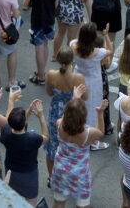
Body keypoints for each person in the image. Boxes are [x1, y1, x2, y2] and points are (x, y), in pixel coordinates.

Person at [51, 95, 107, 208]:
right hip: (80, 174)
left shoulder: (59, 124)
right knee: (83, 205)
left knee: (58, 202)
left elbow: (66, 116)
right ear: (83, 117)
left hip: (60, 169)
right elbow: (101, 131)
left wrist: (74, 98)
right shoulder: (88, 134)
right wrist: (100, 112)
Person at [71, 22, 113, 150]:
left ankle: (78, 130)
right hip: (93, 81)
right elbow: (110, 50)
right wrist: (106, 36)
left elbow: (76, 40)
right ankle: (92, 142)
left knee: (79, 105)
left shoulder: (74, 46)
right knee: (93, 108)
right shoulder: (97, 52)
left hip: (78, 77)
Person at [45, 47, 86, 178]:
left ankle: (51, 177)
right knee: (71, 145)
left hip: (54, 111)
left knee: (52, 146)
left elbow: (49, 93)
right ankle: (69, 176)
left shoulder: (51, 74)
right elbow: (85, 97)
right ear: (72, 61)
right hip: (72, 113)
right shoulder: (78, 78)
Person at [1, 101, 48, 204]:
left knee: (12, 199)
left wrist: (28, 112)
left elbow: (17, 123)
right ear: (24, 123)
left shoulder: (5, 132)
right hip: (29, 174)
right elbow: (46, 137)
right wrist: (41, 116)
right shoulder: (33, 138)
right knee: (30, 201)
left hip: (10, 171)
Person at [24, 0, 60, 86]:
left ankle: (40, 76)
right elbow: (56, 5)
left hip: (37, 22)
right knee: (45, 45)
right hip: (50, 21)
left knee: (38, 48)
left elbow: (25, 4)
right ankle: (41, 71)